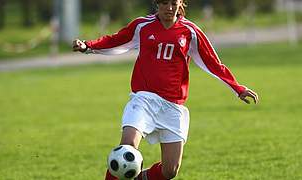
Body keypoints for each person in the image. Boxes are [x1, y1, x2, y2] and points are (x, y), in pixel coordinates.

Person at [73, 0, 259, 179]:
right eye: (164, 3)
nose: (169, 8)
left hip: (172, 106)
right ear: (157, 3)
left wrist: (237, 88)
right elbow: (116, 40)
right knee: (127, 150)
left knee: (170, 170)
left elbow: (212, 62)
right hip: (143, 100)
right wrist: (88, 46)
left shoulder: (190, 31)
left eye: (173, 3)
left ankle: (138, 178)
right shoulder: (142, 26)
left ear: (180, 3)